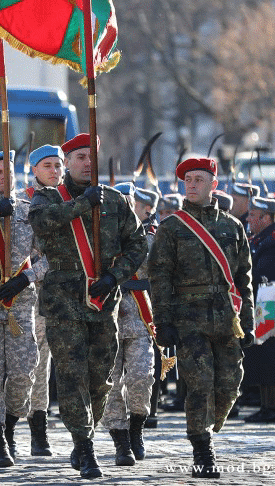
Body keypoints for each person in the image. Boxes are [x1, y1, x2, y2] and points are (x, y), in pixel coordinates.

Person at [28, 133, 147, 478]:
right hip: (63, 303)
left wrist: (115, 277)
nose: (86, 163)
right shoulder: (47, 197)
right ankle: (84, 444)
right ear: (67, 163)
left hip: (102, 301)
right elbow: (42, 224)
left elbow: (138, 244)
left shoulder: (114, 200)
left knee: (100, 379)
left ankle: (86, 431)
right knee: (71, 375)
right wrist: (83, 205)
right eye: (79, 157)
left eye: (90, 157)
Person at [148, 157, 254, 478]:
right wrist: (163, 321)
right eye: (187, 180)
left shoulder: (232, 227)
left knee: (229, 384)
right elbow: (160, 277)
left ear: (213, 185)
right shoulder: (171, 228)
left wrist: (247, 321)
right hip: (187, 317)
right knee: (199, 384)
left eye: (198, 180)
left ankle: (210, 425)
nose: (191, 185)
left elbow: (243, 277)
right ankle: (202, 447)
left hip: (225, 316)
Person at [0, 150, 47, 467]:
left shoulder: (28, 211)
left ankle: (12, 426)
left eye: (10, 171)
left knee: (22, 376)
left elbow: (49, 257)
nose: (5, 177)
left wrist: (26, 278)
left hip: (20, 305)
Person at [102, 184, 157, 466]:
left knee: (140, 377)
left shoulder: (148, 239)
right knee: (110, 384)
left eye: (129, 202)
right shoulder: (99, 239)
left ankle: (136, 427)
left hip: (138, 317)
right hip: (106, 319)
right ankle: (120, 441)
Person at [23, 144, 65, 457]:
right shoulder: (24, 204)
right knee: (34, 366)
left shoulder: (70, 201)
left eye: (58, 165)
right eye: (47, 165)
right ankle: (29, 428)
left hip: (66, 295)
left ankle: (46, 427)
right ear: (34, 169)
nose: (54, 170)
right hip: (32, 295)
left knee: (52, 364)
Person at [242, 195, 275, 423]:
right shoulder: (262, 238)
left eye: (253, 215)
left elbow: (264, 275)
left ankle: (274, 409)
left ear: (266, 217)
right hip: (265, 301)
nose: (248, 218)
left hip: (274, 302)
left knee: (272, 356)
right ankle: (266, 406)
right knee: (262, 355)